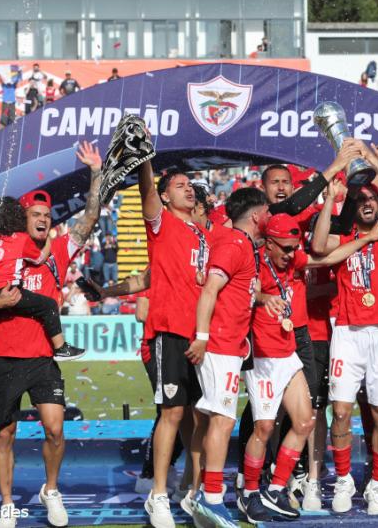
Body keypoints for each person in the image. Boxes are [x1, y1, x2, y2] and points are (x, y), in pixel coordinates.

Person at [0, 141, 104, 528]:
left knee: (56, 429)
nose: (43, 219)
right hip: (6, 357)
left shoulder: (59, 250)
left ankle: (51, 489)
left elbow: (90, 218)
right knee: (5, 433)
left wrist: (94, 172)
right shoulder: (3, 249)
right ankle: (8, 504)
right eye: (36, 214)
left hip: (43, 358)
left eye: (47, 214)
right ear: (24, 219)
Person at [240, 212, 378, 522]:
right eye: (283, 247)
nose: (289, 254)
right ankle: (249, 493)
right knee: (265, 427)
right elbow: (241, 288)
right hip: (262, 356)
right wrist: (263, 297)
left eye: (293, 247)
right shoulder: (253, 260)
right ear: (267, 243)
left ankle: (276, 489)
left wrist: (366, 239)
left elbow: (328, 258)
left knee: (306, 421)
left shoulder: (292, 258)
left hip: (288, 352)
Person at [309, 143, 378, 515]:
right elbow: (318, 246)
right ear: (353, 203)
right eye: (360, 196)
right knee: (340, 411)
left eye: (372, 197)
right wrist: (326, 201)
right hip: (347, 333)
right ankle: (343, 480)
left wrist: (373, 163)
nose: (367, 201)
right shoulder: (348, 238)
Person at [181, 188, 269, 528]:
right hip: (219, 345)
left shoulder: (241, 244)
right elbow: (210, 290)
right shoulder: (234, 245)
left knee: (211, 419)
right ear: (258, 215)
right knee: (222, 419)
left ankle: (201, 495)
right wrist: (203, 338)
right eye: (267, 212)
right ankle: (211, 498)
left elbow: (236, 289)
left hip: (228, 345)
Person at [136, 153, 211, 527]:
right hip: (170, 329)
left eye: (189, 187)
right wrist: (145, 161)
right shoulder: (161, 223)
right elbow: (147, 189)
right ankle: (159, 494)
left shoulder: (204, 235)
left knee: (201, 417)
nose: (188, 191)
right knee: (173, 412)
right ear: (165, 197)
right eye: (179, 187)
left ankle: (195, 494)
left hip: (202, 337)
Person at [0, 195, 86, 379]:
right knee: (48, 306)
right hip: (8, 289)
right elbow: (40, 257)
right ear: (19, 217)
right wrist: (49, 239)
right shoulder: (21, 239)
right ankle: (60, 347)